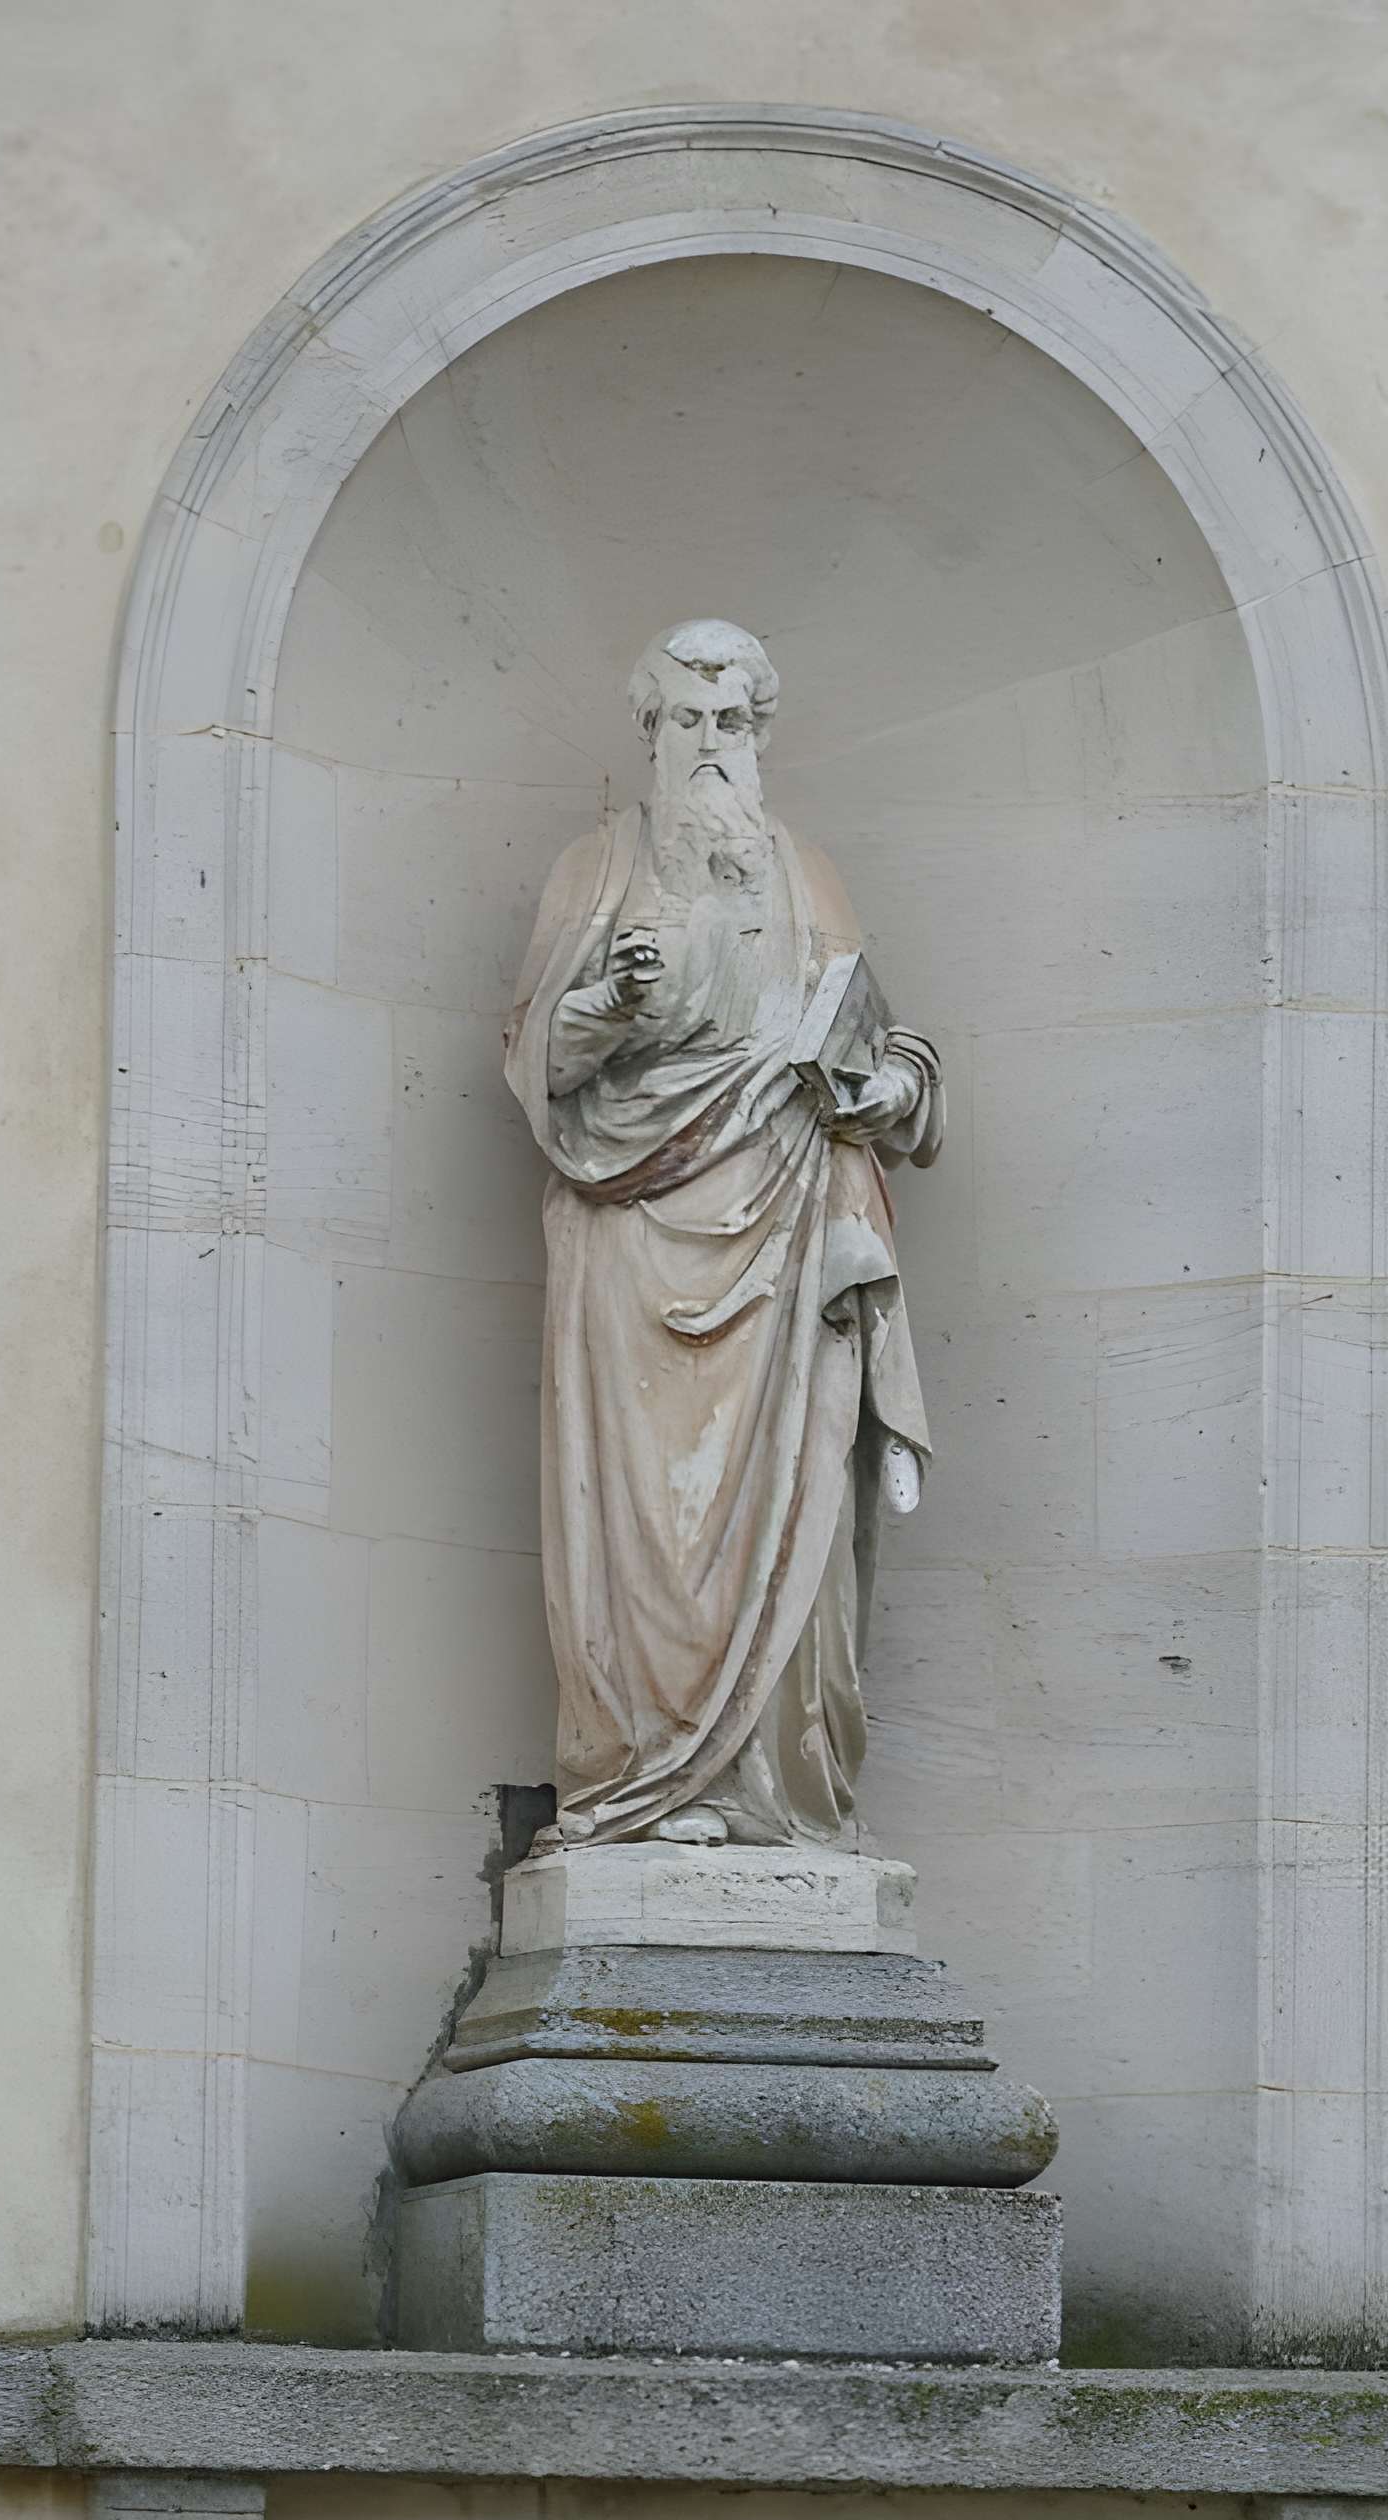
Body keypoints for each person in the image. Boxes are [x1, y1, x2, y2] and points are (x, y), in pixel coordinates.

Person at [505, 619, 942, 1847]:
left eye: (735, 722)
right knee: (642, 1522)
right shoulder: (591, 873)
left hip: (793, 1233)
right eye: (690, 720)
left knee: (785, 1516)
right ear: (648, 731)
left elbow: (881, 1036)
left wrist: (888, 1091)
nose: (712, 746)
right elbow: (537, 1061)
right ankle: (641, 1785)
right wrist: (608, 1003)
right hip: (632, 1234)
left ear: (762, 734)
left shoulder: (804, 873)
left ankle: (768, 1789)